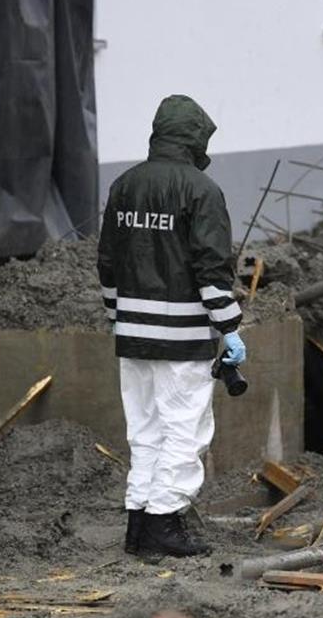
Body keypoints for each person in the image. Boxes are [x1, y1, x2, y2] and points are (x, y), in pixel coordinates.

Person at [96, 94, 247, 558]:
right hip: (182, 338)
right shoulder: (201, 191)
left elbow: (108, 263)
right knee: (185, 430)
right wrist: (230, 329)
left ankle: (139, 525)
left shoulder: (124, 185)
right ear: (196, 136)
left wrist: (117, 318)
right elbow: (211, 267)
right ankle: (164, 522)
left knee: (144, 431)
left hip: (132, 334)